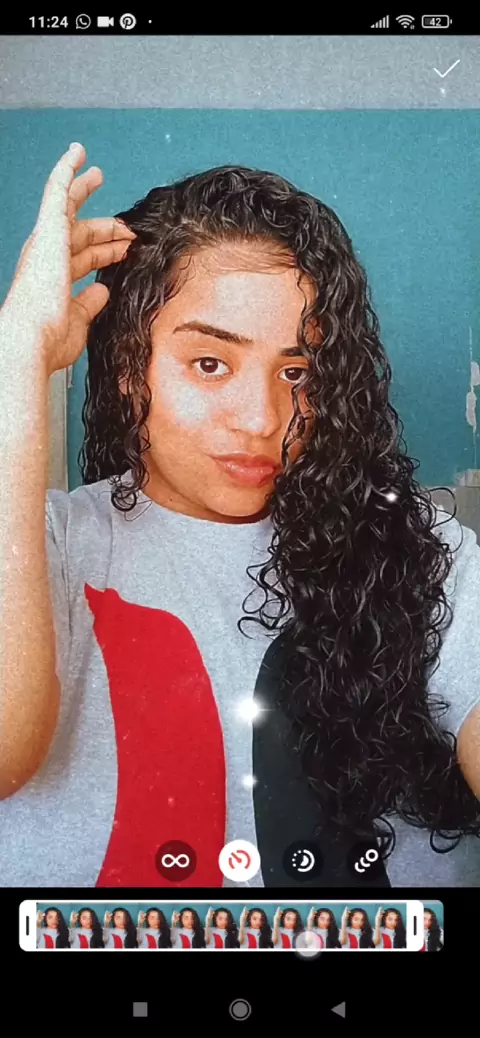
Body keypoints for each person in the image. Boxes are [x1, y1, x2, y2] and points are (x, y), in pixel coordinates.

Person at [1, 144, 479, 889]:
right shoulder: (43, 548)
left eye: (298, 372)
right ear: (128, 368)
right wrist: (15, 366)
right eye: (210, 363)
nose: (262, 419)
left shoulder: (428, 550)